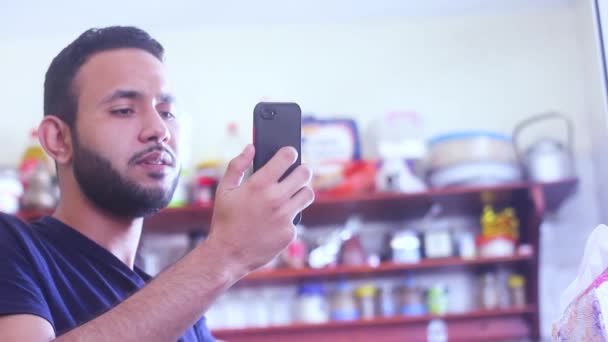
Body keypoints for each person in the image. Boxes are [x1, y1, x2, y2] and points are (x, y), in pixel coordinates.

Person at [0, 26, 314, 341]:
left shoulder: (189, 322)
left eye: (167, 112)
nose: (158, 129)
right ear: (58, 139)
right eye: (124, 110)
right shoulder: (13, 246)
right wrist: (226, 252)